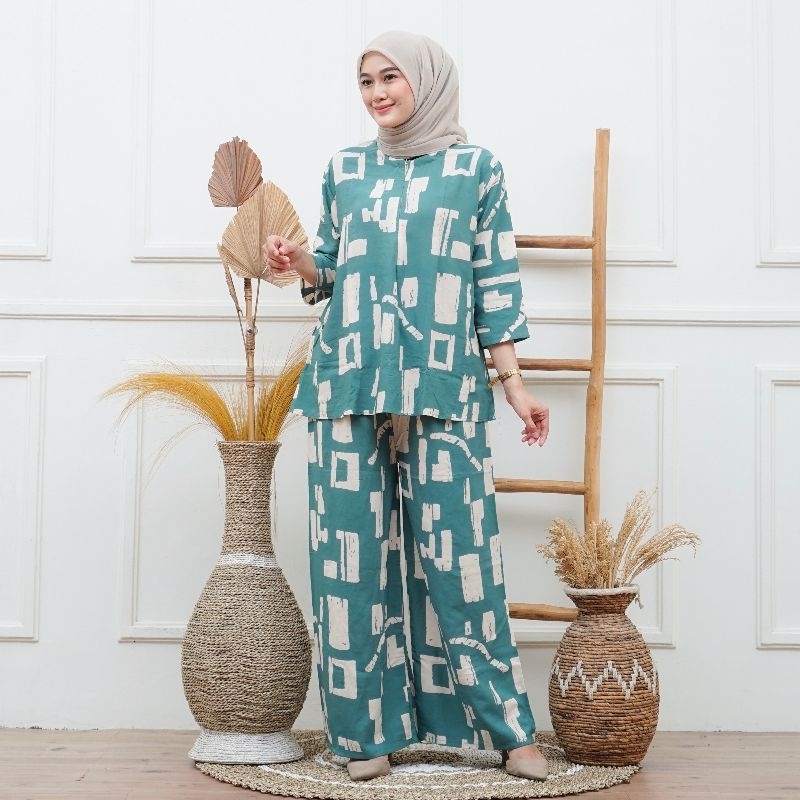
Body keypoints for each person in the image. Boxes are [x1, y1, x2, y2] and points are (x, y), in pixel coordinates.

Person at [266, 30, 550, 782]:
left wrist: (514, 385)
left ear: (427, 79)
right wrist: (299, 261)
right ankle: (363, 736)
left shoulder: (475, 169)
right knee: (348, 563)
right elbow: (331, 266)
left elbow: (493, 280)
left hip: (442, 381)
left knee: (463, 561)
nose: (377, 93)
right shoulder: (345, 168)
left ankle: (509, 731)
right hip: (347, 379)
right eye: (365, 81)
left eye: (390, 77)